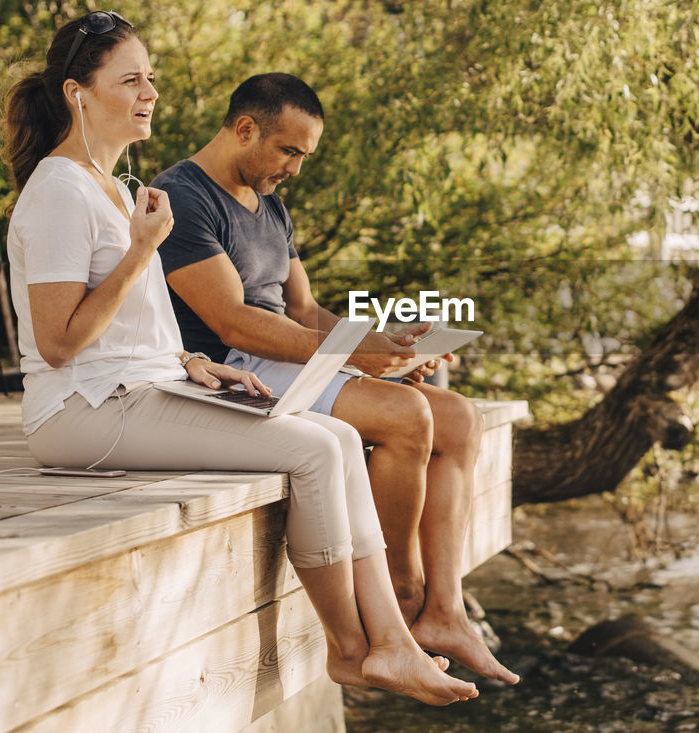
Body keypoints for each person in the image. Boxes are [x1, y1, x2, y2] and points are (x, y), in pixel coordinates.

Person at [1, 11, 477, 706]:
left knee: (339, 438)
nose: (150, 92)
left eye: (151, 78)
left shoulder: (115, 187)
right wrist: (142, 249)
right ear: (78, 93)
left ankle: (396, 645)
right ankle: (352, 650)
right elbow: (59, 342)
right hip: (79, 411)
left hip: (138, 387)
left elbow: (133, 326)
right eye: (131, 79)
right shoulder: (58, 190)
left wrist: (189, 360)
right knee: (315, 452)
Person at [151, 73, 519, 684]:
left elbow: (304, 312)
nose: (295, 167)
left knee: (459, 417)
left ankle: (446, 612)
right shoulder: (183, 198)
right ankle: (401, 595)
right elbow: (234, 322)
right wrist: (354, 353)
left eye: (303, 154)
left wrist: (385, 343)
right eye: (288, 150)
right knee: (408, 418)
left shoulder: (269, 204)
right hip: (233, 371)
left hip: (288, 356)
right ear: (245, 129)